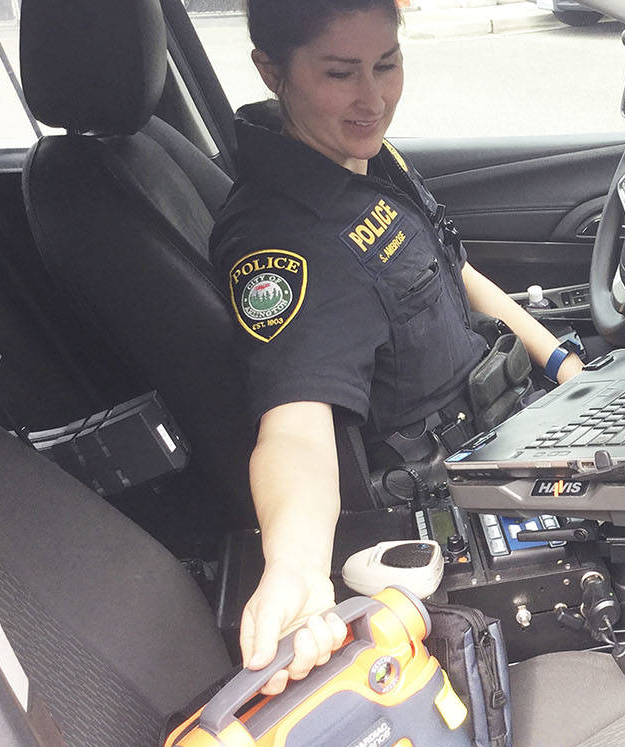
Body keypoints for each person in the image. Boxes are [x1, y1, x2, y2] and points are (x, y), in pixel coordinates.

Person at [209, 0, 583, 695]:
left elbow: (455, 269)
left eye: (387, 64)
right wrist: (293, 567)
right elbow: (295, 425)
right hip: (462, 488)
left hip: (519, 421)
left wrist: (564, 365)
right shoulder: (278, 242)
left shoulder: (363, 157)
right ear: (272, 70)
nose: (374, 98)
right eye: (340, 72)